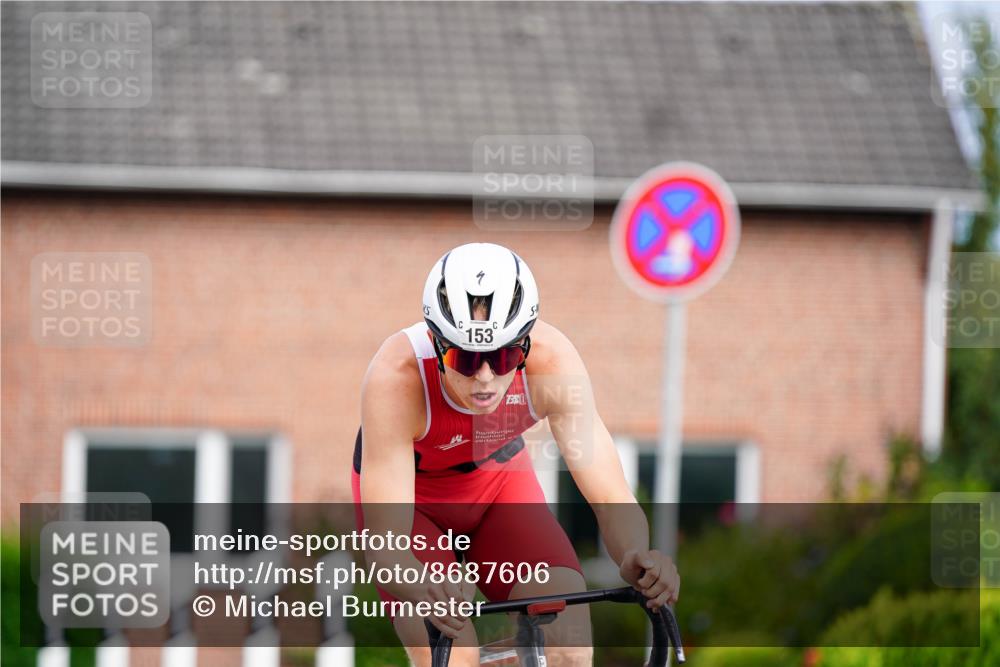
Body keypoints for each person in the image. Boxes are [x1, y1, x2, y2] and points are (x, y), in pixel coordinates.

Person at [352, 242, 680, 666]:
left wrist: (636, 552)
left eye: (505, 356)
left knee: (568, 643)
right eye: (465, 359)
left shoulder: (553, 362)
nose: (486, 377)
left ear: (525, 346)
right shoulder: (394, 377)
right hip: (415, 505)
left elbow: (608, 494)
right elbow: (386, 546)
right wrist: (423, 589)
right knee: (454, 653)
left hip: (498, 486)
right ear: (436, 345)